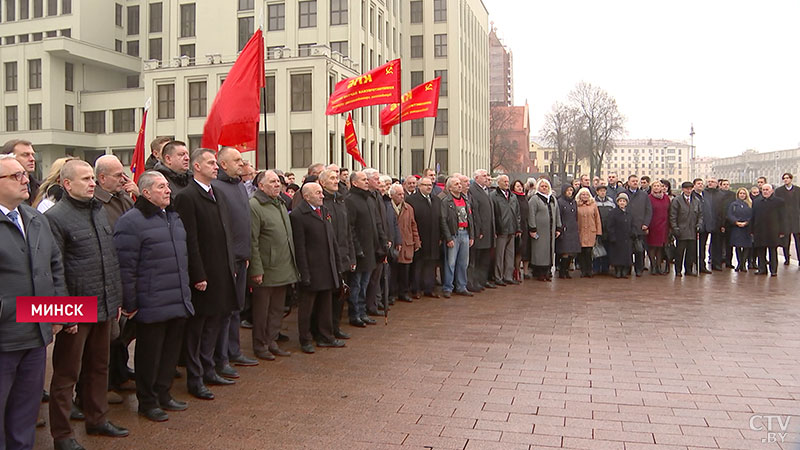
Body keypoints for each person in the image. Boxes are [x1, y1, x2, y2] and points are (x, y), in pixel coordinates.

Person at [45, 159, 129, 448]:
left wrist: (115, 299)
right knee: (67, 372)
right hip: (75, 308)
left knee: (99, 365)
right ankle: (63, 434)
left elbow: (110, 258)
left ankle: (97, 419)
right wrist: (65, 313)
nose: (92, 183)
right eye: (85, 179)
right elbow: (55, 269)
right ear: (67, 184)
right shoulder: (56, 217)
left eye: (93, 178)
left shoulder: (98, 211)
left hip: (104, 303)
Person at [0, 155, 71, 450]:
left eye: (24, 174)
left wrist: (58, 311)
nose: (25, 179)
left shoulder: (35, 218)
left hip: (35, 334)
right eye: (15, 176)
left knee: (25, 413)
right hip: (5, 336)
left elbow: (55, 266)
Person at [113, 171, 194, 423]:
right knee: (150, 355)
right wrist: (131, 303)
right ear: (146, 192)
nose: (168, 190)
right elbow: (126, 267)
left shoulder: (173, 218)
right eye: (161, 187)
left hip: (177, 299)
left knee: (170, 354)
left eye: (168, 186)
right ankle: (147, 402)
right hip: (150, 303)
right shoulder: (131, 222)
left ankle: (164, 393)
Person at [173, 149, 239, 400]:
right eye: (210, 162)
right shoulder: (187, 197)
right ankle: (195, 377)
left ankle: (209, 368)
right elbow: (190, 240)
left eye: (215, 162)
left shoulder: (217, 194)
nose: (215, 166)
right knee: (197, 329)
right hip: (203, 276)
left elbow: (225, 233)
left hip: (221, 271)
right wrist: (197, 274)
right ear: (197, 167)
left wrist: (231, 265)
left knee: (215, 323)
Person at [211, 148, 259, 380]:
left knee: (236, 308)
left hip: (242, 259)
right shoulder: (217, 188)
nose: (242, 164)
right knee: (224, 311)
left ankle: (234, 350)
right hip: (226, 261)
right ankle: (221, 358)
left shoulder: (239, 186)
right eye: (237, 160)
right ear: (223, 164)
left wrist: (247, 253)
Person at [93, 155, 138, 398]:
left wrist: (138, 195)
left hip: (127, 272)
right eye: (117, 175)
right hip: (109, 276)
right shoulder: (96, 204)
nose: (123, 179)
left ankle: (120, 374)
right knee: (108, 335)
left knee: (123, 331)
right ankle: (106, 384)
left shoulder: (124, 198)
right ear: (101, 179)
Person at [248, 170, 298, 360]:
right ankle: (260, 345)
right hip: (266, 268)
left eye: (279, 181)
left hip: (283, 266)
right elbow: (252, 240)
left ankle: (271, 340)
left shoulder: (280, 203)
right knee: (262, 311)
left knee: (277, 309)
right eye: (273, 182)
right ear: (261, 186)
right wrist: (256, 269)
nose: (278, 185)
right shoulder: (254, 205)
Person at [290, 183, 345, 353]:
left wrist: (337, 264)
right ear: (306, 196)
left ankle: (325, 336)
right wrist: (304, 273)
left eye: (321, 192)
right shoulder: (299, 215)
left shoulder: (324, 211)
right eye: (318, 193)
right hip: (311, 269)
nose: (322, 196)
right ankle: (305, 339)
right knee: (306, 307)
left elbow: (332, 240)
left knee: (325, 305)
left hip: (327, 267)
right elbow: (300, 247)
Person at [345, 171, 384, 327]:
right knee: (356, 285)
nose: (367, 182)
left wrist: (381, 242)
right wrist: (357, 249)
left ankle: (362, 312)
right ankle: (355, 314)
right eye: (363, 180)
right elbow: (351, 228)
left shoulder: (369, 199)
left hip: (370, 250)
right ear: (354, 183)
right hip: (359, 251)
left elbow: (376, 223)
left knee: (365, 284)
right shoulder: (350, 201)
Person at [320, 169, 355, 340]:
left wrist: (351, 256)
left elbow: (348, 232)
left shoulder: (341, 201)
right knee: (327, 298)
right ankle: (324, 331)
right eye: (332, 178)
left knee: (341, 295)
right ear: (322, 183)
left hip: (343, 256)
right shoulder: (321, 203)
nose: (336, 181)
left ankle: (336, 326)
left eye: (336, 178)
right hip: (327, 258)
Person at [405, 176, 443, 298]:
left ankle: (429, 288)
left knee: (431, 265)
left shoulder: (436, 200)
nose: (429, 187)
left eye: (430, 185)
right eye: (426, 185)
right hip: (420, 237)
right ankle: (416, 289)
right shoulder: (412, 200)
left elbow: (440, 219)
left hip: (434, 237)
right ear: (419, 186)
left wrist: (441, 236)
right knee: (418, 265)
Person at [440, 176, 474, 298]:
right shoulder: (446, 201)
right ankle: (448, 287)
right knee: (451, 263)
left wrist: (472, 235)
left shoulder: (465, 200)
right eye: (456, 184)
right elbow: (443, 220)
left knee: (463, 263)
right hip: (454, 234)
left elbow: (470, 218)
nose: (459, 186)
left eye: (460, 184)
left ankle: (461, 286)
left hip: (465, 233)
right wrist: (448, 238)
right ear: (449, 188)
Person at [388, 184, 421, 302]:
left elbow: (413, 225)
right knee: (393, 270)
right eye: (399, 194)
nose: (402, 196)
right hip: (394, 243)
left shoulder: (408, 208)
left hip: (407, 243)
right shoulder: (388, 208)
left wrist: (416, 241)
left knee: (405, 270)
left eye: (403, 194)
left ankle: (403, 292)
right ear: (391, 195)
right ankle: (391, 294)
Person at [528, 179, 561, 281]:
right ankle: (539, 272)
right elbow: (531, 214)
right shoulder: (535, 199)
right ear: (538, 187)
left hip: (550, 230)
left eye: (546, 186)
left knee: (549, 251)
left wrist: (558, 227)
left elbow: (557, 213)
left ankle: (547, 271)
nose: (544, 188)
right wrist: (532, 228)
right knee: (539, 250)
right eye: (542, 186)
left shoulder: (553, 199)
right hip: (539, 231)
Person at [467, 169, 495, 290]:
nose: (486, 178)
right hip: (480, 232)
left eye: (487, 175)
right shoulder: (473, 190)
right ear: (476, 178)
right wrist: (479, 230)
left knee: (485, 259)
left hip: (488, 231)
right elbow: (475, 212)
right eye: (483, 176)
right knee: (476, 259)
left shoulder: (486, 191)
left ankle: (483, 280)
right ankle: (474, 282)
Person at [751, 184, 787, 276]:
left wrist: (782, 230)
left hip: (773, 230)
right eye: (763, 190)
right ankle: (762, 269)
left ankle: (773, 270)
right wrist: (751, 230)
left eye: (767, 190)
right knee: (760, 251)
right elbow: (753, 216)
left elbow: (783, 217)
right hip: (759, 230)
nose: (765, 191)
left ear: (771, 191)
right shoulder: (756, 201)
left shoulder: (779, 202)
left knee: (772, 251)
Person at [491, 175, 521, 285]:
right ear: (498, 183)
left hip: (512, 229)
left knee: (510, 254)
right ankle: (498, 276)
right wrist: (494, 229)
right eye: (504, 181)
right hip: (501, 229)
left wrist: (518, 228)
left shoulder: (513, 196)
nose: (507, 183)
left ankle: (508, 276)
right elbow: (493, 214)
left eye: (508, 181)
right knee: (499, 255)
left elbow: (517, 214)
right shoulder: (494, 196)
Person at [669, 181, 703, 277]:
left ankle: (688, 269)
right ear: (683, 189)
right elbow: (673, 215)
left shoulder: (696, 201)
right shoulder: (677, 200)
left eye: (690, 189)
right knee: (679, 252)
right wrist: (675, 228)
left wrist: (699, 224)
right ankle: (678, 270)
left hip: (692, 230)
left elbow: (700, 215)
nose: (689, 191)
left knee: (691, 252)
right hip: (681, 230)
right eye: (687, 189)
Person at [624, 175, 652, 276]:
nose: (635, 183)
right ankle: (627, 269)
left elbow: (648, 210)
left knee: (640, 250)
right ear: (628, 182)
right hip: (627, 227)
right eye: (633, 181)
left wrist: (646, 223)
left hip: (640, 226)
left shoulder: (644, 195)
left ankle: (639, 269)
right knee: (627, 250)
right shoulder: (623, 194)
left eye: (636, 181)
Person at [2, 139, 41, 207]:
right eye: (25, 155)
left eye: (32, 155)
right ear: (9, 157)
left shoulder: (40, 188)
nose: (32, 159)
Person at [575, 187, 602, 278]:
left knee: (589, 252)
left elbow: (597, 218)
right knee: (582, 252)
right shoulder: (576, 205)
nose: (585, 196)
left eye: (586, 194)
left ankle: (589, 270)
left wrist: (598, 231)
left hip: (591, 232)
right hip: (580, 231)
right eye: (583, 194)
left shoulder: (593, 205)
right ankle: (583, 270)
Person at [606, 193, 634, 278]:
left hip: (627, 238)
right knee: (617, 256)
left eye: (624, 201)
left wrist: (633, 233)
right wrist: (612, 236)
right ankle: (617, 271)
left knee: (626, 256)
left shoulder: (629, 213)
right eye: (620, 201)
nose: (622, 203)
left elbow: (632, 224)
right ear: (617, 202)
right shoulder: (613, 213)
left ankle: (624, 271)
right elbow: (610, 225)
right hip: (617, 238)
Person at [774, 172, 800, 265]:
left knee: (798, 241)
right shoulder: (779, 191)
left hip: (796, 219)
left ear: (791, 179)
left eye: (787, 178)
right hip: (785, 220)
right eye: (784, 178)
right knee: (786, 241)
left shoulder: (798, 190)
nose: (786, 180)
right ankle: (787, 258)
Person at [556, 184, 580, 279]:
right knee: (564, 251)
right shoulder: (560, 202)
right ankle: (562, 271)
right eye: (568, 190)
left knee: (571, 252)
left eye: (571, 190)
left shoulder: (574, 202)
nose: (570, 192)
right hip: (564, 229)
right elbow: (559, 216)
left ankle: (566, 270)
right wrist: (560, 228)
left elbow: (576, 216)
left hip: (573, 229)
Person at [647, 181, 671, 275]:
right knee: (652, 247)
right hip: (653, 225)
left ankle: (659, 266)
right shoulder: (649, 198)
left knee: (660, 247)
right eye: (655, 186)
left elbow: (669, 211)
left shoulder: (666, 198)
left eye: (659, 186)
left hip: (664, 226)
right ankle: (653, 266)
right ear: (652, 187)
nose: (657, 187)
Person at [727, 188, 753, 272]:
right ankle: (739, 263)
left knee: (746, 246)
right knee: (737, 246)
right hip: (736, 228)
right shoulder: (733, 204)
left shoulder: (750, 204)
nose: (742, 195)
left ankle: (743, 264)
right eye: (740, 193)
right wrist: (736, 222)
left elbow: (752, 215)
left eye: (744, 193)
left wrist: (747, 222)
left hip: (746, 228)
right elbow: (730, 214)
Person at [692, 178, 714, 274]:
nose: (700, 185)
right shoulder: (693, 196)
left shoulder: (706, 195)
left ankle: (702, 265)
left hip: (706, 226)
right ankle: (696, 265)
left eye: (701, 183)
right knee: (696, 247)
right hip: (696, 225)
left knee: (703, 246)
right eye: (698, 184)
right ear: (694, 186)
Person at [593, 185, 615, 275]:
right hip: (597, 228)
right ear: (597, 192)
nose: (602, 192)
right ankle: (596, 268)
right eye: (600, 191)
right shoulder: (593, 202)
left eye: (604, 191)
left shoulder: (610, 202)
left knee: (607, 249)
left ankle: (605, 268)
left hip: (608, 229)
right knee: (597, 249)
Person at [511, 180, 530, 281]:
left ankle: (525, 271)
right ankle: (516, 271)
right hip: (517, 227)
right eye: (517, 186)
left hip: (525, 226)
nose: (520, 188)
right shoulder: (513, 198)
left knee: (525, 250)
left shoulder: (524, 198)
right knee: (517, 250)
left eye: (521, 186)